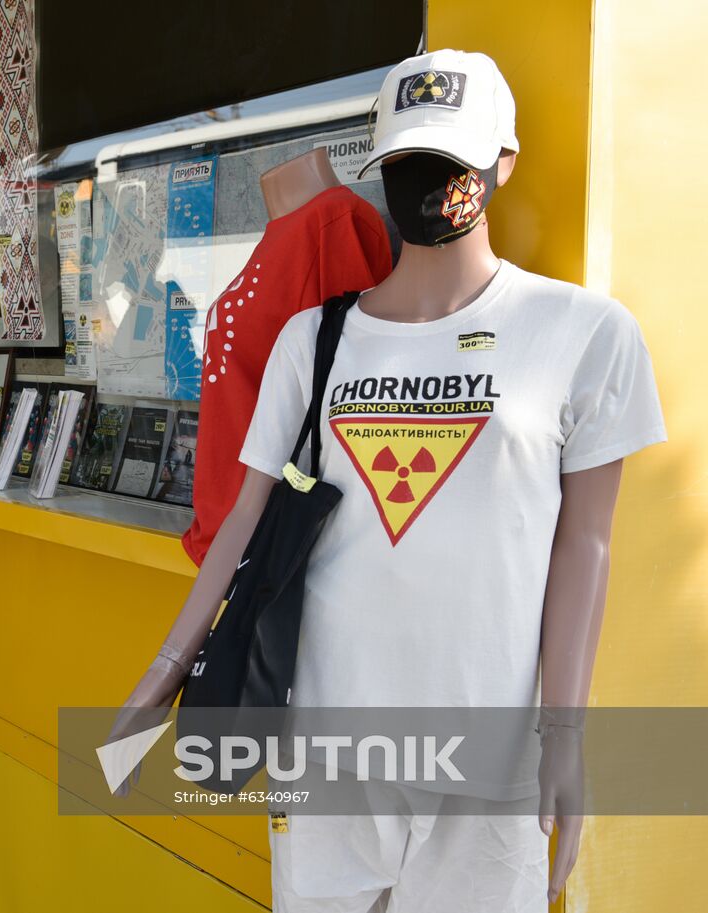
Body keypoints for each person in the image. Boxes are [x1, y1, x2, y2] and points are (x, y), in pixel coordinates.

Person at [115, 50, 665, 912]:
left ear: (500, 165)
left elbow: (584, 544)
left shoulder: (584, 335)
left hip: (488, 763)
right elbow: (244, 518)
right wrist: (167, 667)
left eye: (448, 163)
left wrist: (566, 733)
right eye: (409, 164)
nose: (428, 184)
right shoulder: (314, 339)